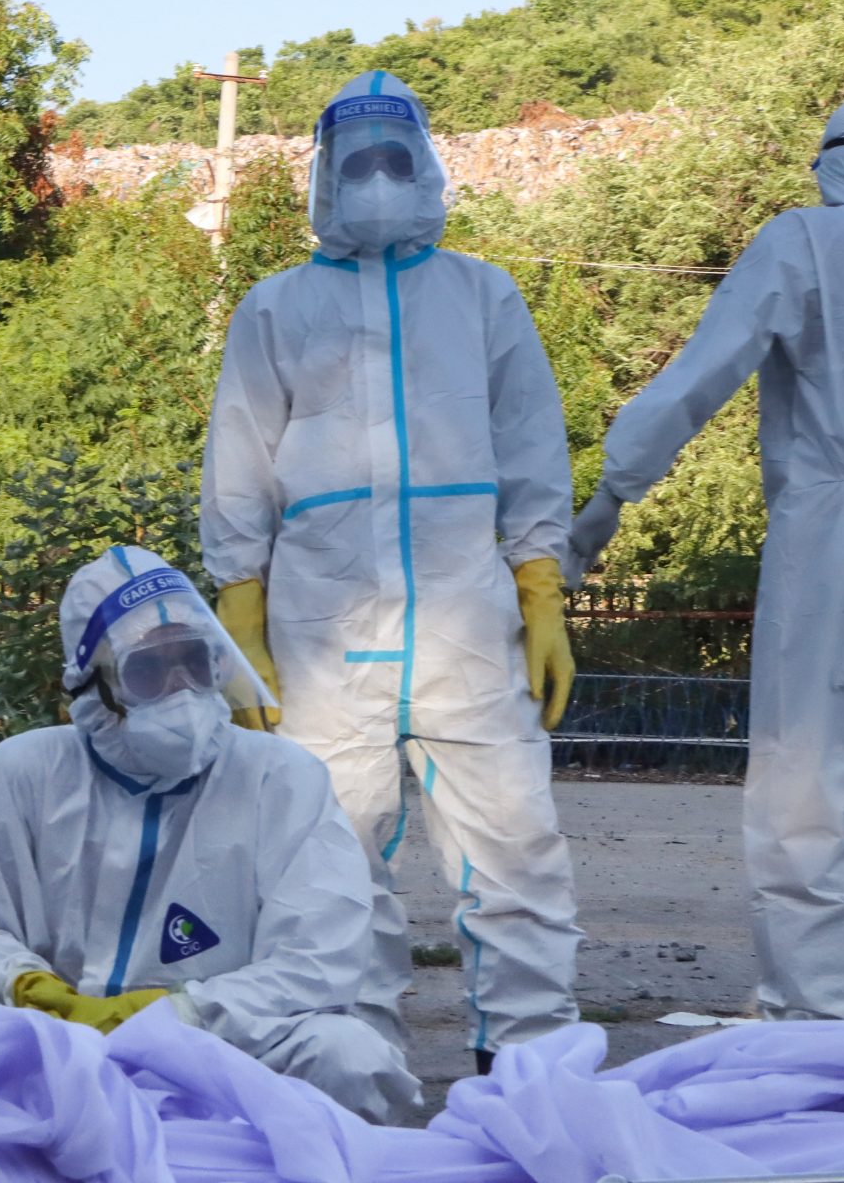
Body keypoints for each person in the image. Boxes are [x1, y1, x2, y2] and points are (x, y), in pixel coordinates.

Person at [569, 98, 844, 1026]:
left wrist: (610, 495)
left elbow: (705, 369)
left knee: (808, 774)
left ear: (830, 168)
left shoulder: (804, 241)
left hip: (842, 517)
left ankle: (819, 1013)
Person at [200, 71, 582, 1074]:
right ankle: (346, 1070)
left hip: (467, 627)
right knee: (323, 867)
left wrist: (541, 591)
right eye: (356, 161)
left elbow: (532, 447)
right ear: (327, 177)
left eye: (392, 158)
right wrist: (239, 614)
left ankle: (529, 1071)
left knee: (516, 854)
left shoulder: (480, 294)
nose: (375, 179)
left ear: (424, 166)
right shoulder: (276, 308)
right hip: (321, 634)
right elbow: (237, 464)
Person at [0, 547, 422, 1123]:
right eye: (148, 670)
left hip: (222, 1050)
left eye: (194, 661)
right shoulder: (24, 771)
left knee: (349, 1057)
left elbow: (317, 961)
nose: (179, 686)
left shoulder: (281, 777)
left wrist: (181, 1014)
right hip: (49, 1045)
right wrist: (28, 986)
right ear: (95, 685)